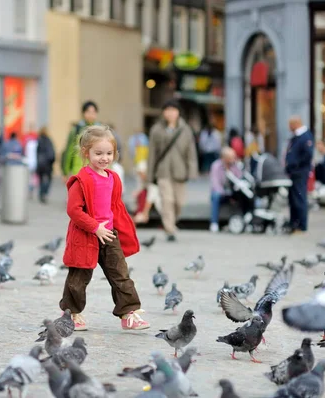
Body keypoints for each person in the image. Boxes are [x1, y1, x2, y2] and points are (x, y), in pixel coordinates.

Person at [60, 124, 148, 332]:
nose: (104, 158)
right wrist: (94, 227)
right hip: (85, 236)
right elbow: (73, 210)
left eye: (109, 153)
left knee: (120, 273)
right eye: (98, 153)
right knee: (78, 277)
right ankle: (71, 313)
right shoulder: (80, 180)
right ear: (86, 153)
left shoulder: (113, 178)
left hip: (108, 235)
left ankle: (128, 313)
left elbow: (115, 207)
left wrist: (122, 230)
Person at [147, 100, 198, 242]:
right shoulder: (156, 129)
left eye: (173, 110)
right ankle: (169, 229)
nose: (170, 113)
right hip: (163, 171)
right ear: (163, 112)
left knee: (179, 202)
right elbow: (152, 154)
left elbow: (191, 152)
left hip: (180, 171)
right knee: (167, 200)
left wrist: (192, 170)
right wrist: (150, 176)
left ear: (178, 112)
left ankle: (171, 222)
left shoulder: (185, 129)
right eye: (167, 110)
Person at [285, 116, 314, 234]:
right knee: (293, 199)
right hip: (294, 172)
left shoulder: (305, 136)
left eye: (290, 124)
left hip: (300, 173)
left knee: (299, 198)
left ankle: (301, 225)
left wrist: (296, 166)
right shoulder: (297, 137)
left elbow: (308, 155)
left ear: (296, 123)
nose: (289, 127)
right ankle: (294, 223)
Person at [62, 101, 101, 181]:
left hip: (96, 170)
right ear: (83, 113)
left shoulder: (100, 130)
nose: (91, 114)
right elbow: (69, 151)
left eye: (93, 112)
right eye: (88, 112)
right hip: (78, 170)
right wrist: (65, 172)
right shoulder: (77, 129)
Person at [209, 147, 243, 233]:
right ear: (224, 158)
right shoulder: (216, 166)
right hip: (221, 193)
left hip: (232, 192)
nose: (233, 159)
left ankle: (242, 221)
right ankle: (214, 223)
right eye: (231, 157)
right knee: (215, 195)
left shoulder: (235, 166)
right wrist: (226, 194)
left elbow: (240, 179)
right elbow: (215, 184)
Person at [36, 126, 55, 203]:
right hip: (47, 163)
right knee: (49, 179)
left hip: (40, 163)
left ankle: (41, 193)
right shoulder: (48, 140)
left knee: (41, 179)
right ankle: (44, 193)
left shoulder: (39, 140)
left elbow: (37, 152)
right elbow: (52, 153)